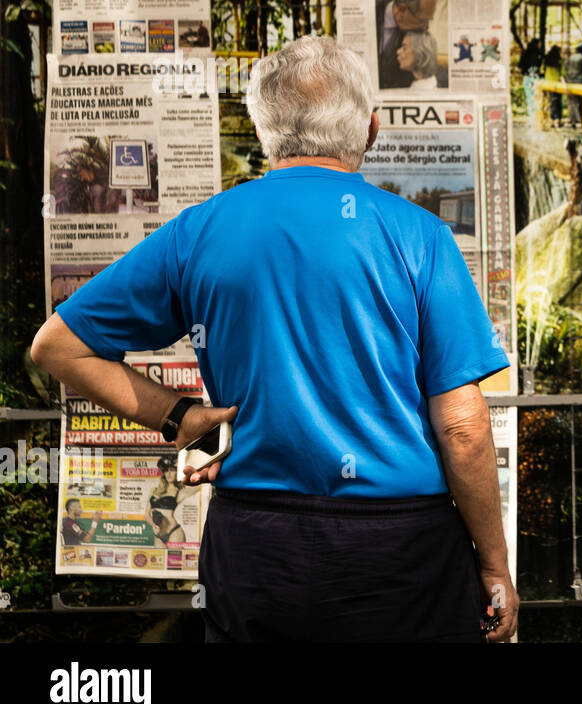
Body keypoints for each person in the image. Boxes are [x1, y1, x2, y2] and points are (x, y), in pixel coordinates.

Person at [31, 35, 518, 643]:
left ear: (263, 132)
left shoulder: (200, 231)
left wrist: (178, 416)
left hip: (256, 543)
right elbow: (464, 427)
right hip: (402, 548)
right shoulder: (420, 236)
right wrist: (495, 565)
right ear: (370, 130)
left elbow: (57, 346)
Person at [375, 0, 437, 89]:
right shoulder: (370, 6)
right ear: (401, 9)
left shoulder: (413, 33)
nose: (425, 27)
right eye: (422, 20)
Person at [564, 44, 582, 126]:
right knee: (581, 103)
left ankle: (573, 121)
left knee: (572, 103)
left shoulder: (570, 58)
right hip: (580, 83)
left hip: (570, 83)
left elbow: (566, 68)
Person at [543, 44, 564, 126]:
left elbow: (542, 70)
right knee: (558, 102)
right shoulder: (559, 61)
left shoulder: (547, 60)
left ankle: (552, 119)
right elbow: (563, 73)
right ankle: (557, 120)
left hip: (548, 83)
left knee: (551, 102)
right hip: (557, 83)